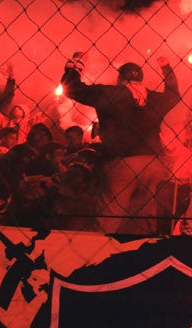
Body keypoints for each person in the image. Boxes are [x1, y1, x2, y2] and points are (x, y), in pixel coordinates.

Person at [60, 55, 180, 234]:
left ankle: (97, 256)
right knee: (144, 218)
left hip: (124, 162)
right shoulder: (154, 98)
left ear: (120, 78)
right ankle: (145, 256)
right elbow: (173, 96)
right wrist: (167, 69)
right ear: (141, 78)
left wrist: (74, 68)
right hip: (153, 163)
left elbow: (72, 90)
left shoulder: (111, 93)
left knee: (109, 218)